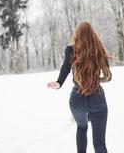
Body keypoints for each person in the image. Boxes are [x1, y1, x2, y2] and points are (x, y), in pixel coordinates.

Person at [47, 21, 112, 153]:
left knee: (82, 128)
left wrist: (58, 83)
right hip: (97, 98)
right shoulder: (99, 49)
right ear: (93, 35)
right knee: (99, 144)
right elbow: (108, 76)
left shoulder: (71, 50)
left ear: (77, 35)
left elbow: (66, 68)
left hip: (77, 99)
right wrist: (96, 80)